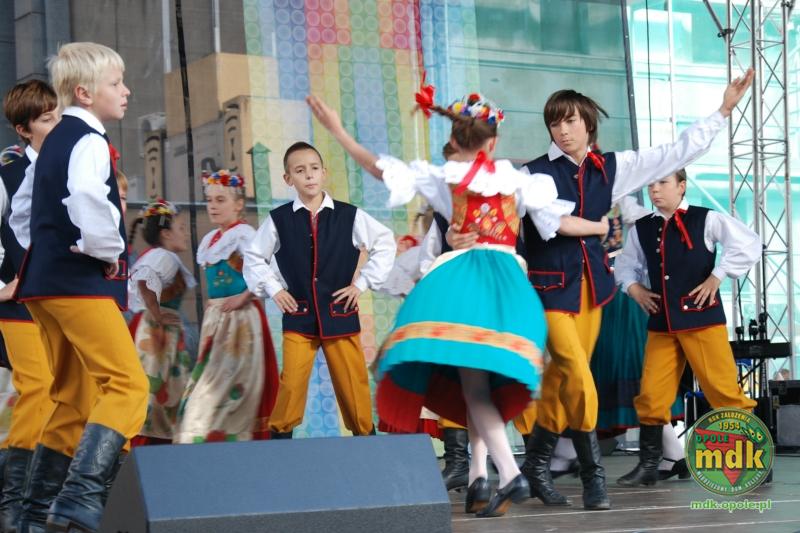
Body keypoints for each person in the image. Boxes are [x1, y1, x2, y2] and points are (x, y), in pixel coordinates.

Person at [306, 89, 607, 517]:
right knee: (482, 380)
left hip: (466, 283)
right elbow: (554, 221)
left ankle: (509, 473)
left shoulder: (445, 178)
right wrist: (600, 225)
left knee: (473, 383)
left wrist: (338, 131)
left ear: (455, 139)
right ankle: (481, 475)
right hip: (511, 288)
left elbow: (379, 168)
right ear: (492, 142)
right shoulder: (519, 180)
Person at [519, 70, 754, 510]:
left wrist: (723, 110)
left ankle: (535, 465)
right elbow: (553, 224)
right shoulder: (534, 174)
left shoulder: (613, 167)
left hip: (593, 290)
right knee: (578, 374)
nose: (563, 130)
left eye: (570, 121)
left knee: (561, 378)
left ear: (588, 123)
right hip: (550, 290)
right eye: (554, 123)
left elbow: (674, 152)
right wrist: (601, 231)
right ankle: (593, 477)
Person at [13, 42, 149, 532]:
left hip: (44, 284)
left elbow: (22, 211)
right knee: (128, 385)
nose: (125, 91)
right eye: (116, 83)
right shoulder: (89, 139)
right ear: (86, 93)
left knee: (71, 396)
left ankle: (34, 514)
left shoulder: (52, 143)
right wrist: (108, 251)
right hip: (77, 283)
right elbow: (89, 198)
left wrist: (46, 249)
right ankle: (79, 497)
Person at [614, 168, 760, 486]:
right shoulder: (642, 228)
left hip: (701, 320)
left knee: (723, 390)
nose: (655, 190)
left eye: (662, 183)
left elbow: (748, 243)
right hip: (661, 323)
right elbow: (626, 264)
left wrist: (717, 276)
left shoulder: (706, 219)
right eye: (651, 184)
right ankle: (650, 464)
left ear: (682, 186)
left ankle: (751, 459)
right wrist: (634, 288)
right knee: (651, 395)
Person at [244, 143, 395, 439]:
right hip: (298, 315)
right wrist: (275, 289)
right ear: (288, 179)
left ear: (324, 173)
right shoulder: (279, 219)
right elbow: (253, 256)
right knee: (291, 383)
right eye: (300, 171)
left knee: (353, 383)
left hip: (340, 314)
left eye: (314, 168)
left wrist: (361, 284)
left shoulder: (349, 215)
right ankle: (280, 443)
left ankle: (366, 441)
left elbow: (385, 243)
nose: (309, 175)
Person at [175, 170, 278, 443]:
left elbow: (267, 272)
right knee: (210, 379)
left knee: (230, 383)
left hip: (240, 320)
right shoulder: (211, 238)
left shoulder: (244, 235)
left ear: (239, 204)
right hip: (217, 318)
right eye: (210, 200)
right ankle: (206, 437)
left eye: (220, 200)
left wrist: (243, 297)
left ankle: (220, 437)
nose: (213, 206)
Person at [0, 80, 59, 530]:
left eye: (57, 115)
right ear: (23, 129)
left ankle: (43, 496)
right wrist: (2, 287)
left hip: (62, 299)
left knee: (65, 390)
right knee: (37, 386)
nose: (56, 124)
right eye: (45, 118)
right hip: (19, 303)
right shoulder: (7, 172)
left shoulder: (71, 163)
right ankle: (14, 498)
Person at [127, 200, 195, 445]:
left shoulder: (156, 256)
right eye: (181, 228)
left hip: (157, 331)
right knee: (156, 392)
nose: (186, 233)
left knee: (161, 392)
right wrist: (156, 313)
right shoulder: (164, 257)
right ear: (166, 234)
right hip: (156, 335)